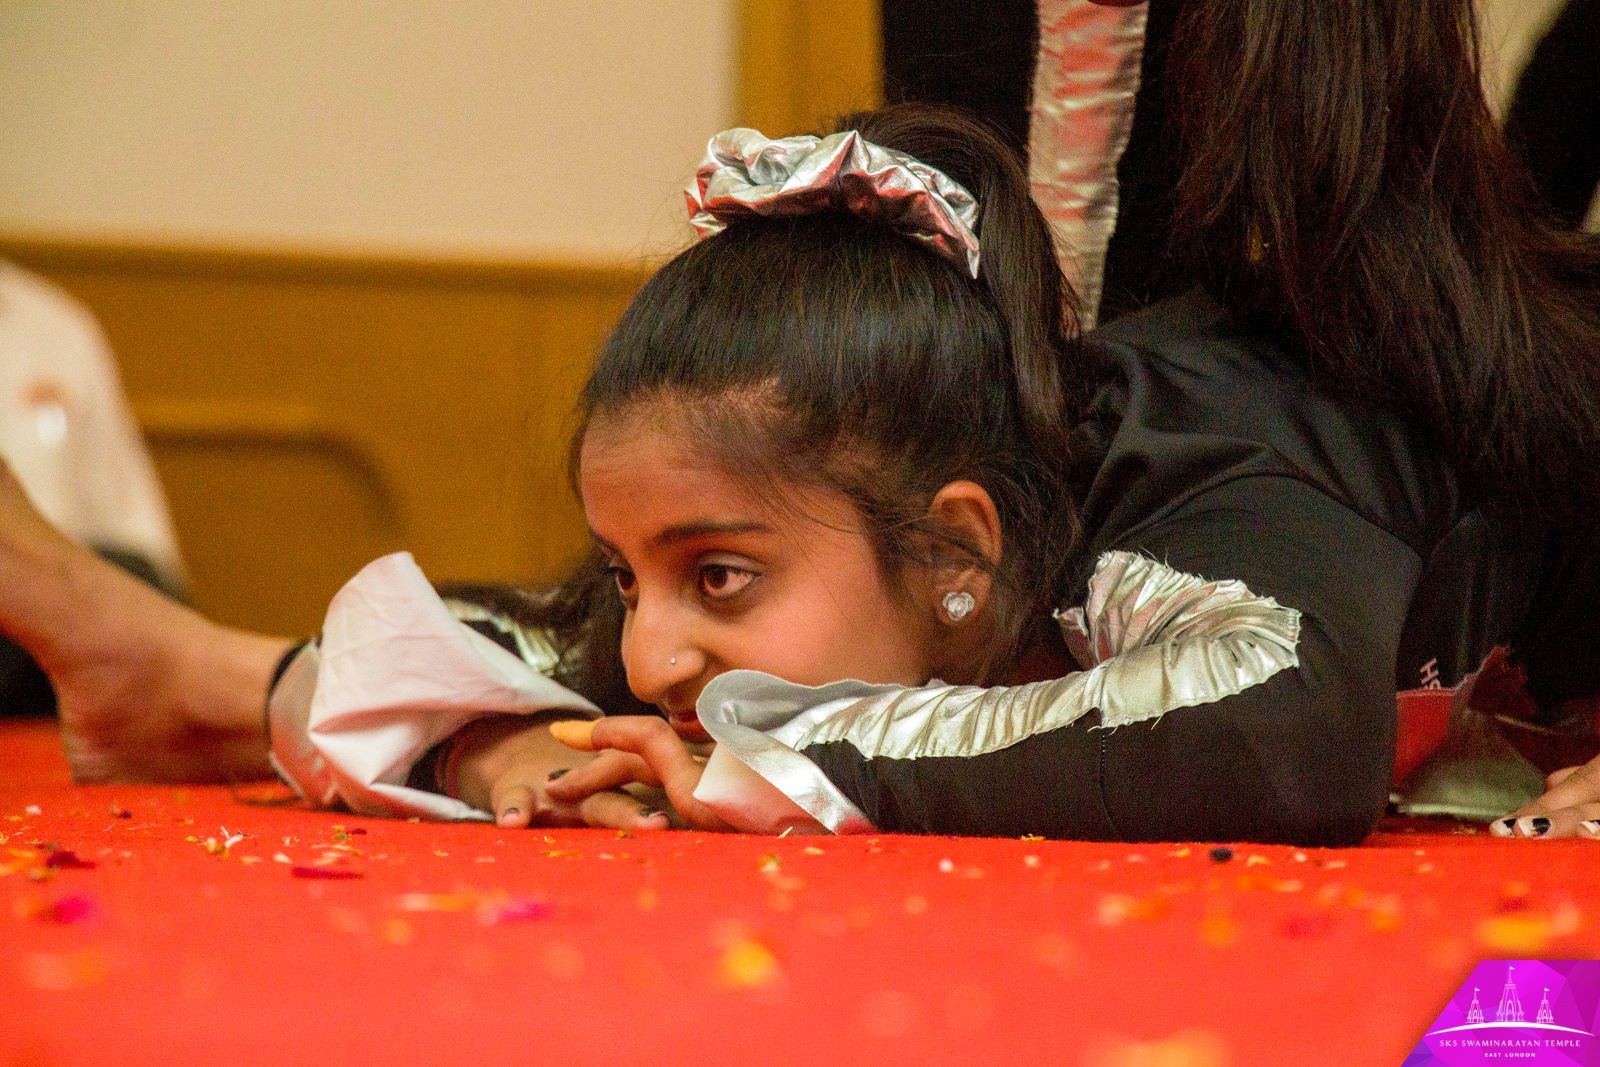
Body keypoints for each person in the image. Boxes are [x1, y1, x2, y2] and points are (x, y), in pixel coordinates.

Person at [5, 0, 1600, 844]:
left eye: (712, 575)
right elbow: (539, 642)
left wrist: (772, 761)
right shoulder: (889, 533)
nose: (645, 658)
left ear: (966, 558)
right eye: (646, 577)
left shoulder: (1181, 494)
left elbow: (1278, 727)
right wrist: (498, 750)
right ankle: (201, 674)